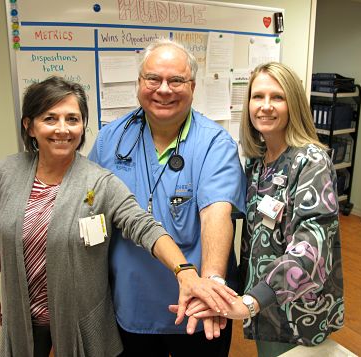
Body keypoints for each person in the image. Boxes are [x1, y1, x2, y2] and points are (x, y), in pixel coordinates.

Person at [0, 76, 239, 357]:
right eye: (50, 118)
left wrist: (185, 271)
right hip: (22, 314)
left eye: (73, 119)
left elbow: (144, 226)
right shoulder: (6, 173)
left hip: (77, 318)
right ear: (29, 125)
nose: (63, 129)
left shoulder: (98, 181)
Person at [88, 39, 246, 356]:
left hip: (199, 308)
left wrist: (212, 282)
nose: (164, 89)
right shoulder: (111, 139)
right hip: (133, 304)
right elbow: (91, 209)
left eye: (176, 80)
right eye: (153, 79)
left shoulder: (215, 142)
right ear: (139, 83)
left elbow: (216, 212)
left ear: (192, 86)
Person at [184, 62, 344, 357]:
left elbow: (312, 249)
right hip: (264, 307)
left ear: (293, 104)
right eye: (257, 97)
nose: (265, 106)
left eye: (277, 97)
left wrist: (251, 302)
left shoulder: (311, 162)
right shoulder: (256, 164)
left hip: (298, 311)